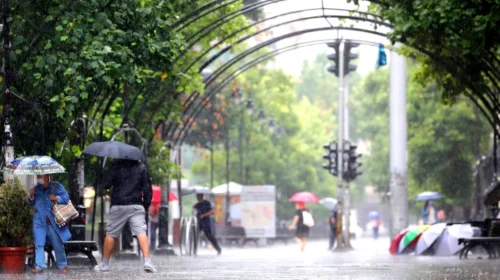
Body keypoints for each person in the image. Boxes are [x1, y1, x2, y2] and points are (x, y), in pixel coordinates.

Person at [94, 159, 156, 273]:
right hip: (136, 204)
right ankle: (147, 262)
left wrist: (101, 175)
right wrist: (145, 204)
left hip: (119, 204)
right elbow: (147, 188)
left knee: (111, 234)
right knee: (141, 232)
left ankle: (105, 264)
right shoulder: (141, 167)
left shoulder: (116, 166)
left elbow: (106, 185)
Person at [28, 175, 71, 274]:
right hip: (39, 222)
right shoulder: (36, 189)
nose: (38, 178)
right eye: (37, 176)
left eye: (40, 176)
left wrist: (56, 198)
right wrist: (31, 196)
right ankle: (39, 266)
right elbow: (31, 203)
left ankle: (62, 265)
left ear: (47, 176)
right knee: (39, 243)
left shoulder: (56, 186)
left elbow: (66, 198)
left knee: (57, 244)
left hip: (52, 222)